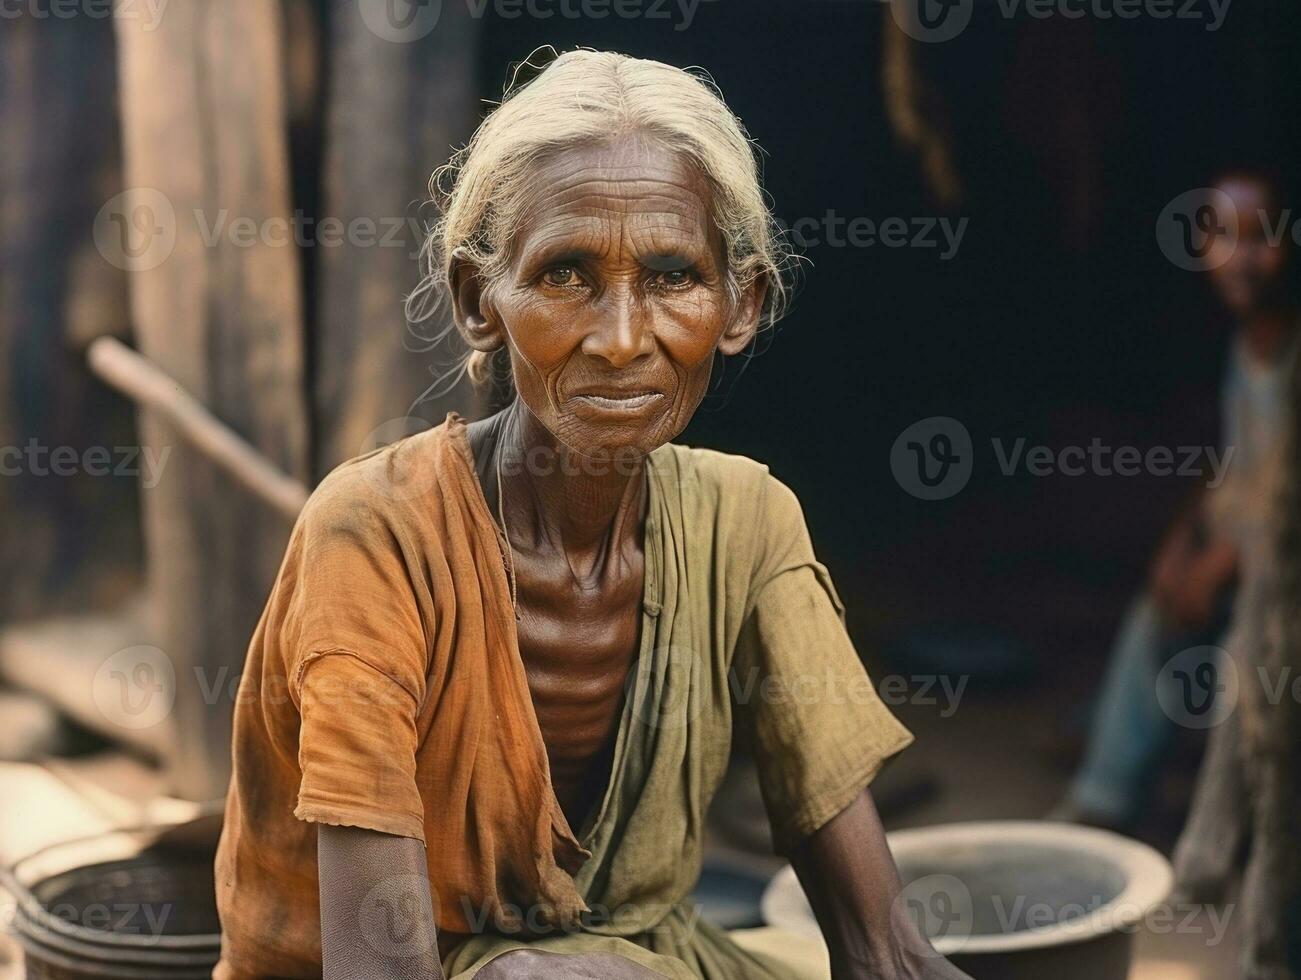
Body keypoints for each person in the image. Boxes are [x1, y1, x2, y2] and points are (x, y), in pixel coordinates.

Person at [213, 50, 971, 980]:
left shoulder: (745, 521)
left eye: (670, 276)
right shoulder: (376, 536)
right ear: (478, 301)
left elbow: (880, 948)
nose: (619, 340)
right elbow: (378, 968)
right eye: (567, 274)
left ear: (740, 304)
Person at [1053, 166, 1298, 830]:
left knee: (1242, 651)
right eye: (1222, 235)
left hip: (1277, 577)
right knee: (1157, 609)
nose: (1240, 258)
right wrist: (1178, 546)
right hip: (1240, 558)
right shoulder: (1247, 342)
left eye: (1261, 237)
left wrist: (1218, 564)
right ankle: (1105, 788)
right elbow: (1232, 462)